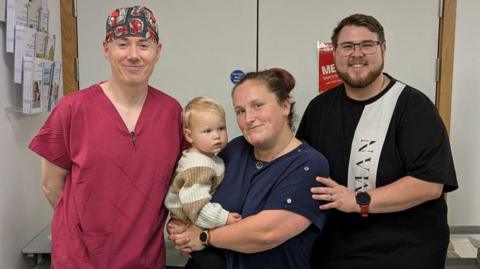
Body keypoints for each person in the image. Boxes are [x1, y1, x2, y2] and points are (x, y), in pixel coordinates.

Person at [296, 14, 458, 269]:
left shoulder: (414, 107)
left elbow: (429, 184)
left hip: (403, 252)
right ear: (334, 52)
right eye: (347, 46)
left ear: (383, 49)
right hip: (334, 251)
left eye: (367, 45)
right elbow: (299, 167)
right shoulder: (319, 108)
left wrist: (359, 200)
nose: (356, 54)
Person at [29, 6, 185, 268]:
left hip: (145, 257)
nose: (133, 55)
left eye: (144, 45)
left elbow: (179, 181)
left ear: (157, 52)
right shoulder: (73, 109)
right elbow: (50, 185)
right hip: (80, 258)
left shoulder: (171, 112)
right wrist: (89, 231)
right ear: (106, 49)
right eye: (122, 44)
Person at [168, 68, 330, 269]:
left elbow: (265, 234)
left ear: (285, 106)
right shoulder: (234, 149)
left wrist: (203, 236)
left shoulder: (309, 164)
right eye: (240, 111)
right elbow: (196, 195)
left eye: (257, 106)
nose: (248, 118)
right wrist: (180, 225)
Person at [164, 96, 242, 228]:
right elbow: (196, 205)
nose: (216, 136)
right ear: (189, 136)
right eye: (207, 131)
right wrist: (224, 218)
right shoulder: (198, 165)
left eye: (221, 128)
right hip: (192, 219)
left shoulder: (207, 157)